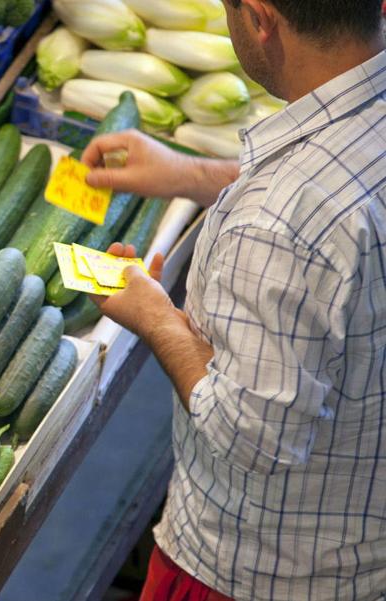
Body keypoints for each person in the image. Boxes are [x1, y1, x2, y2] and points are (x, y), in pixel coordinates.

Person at [80, 0, 386, 599]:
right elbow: (340, 191)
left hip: (255, 575)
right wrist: (189, 174)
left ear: (259, 17)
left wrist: (156, 316)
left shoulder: (278, 223)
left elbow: (251, 435)